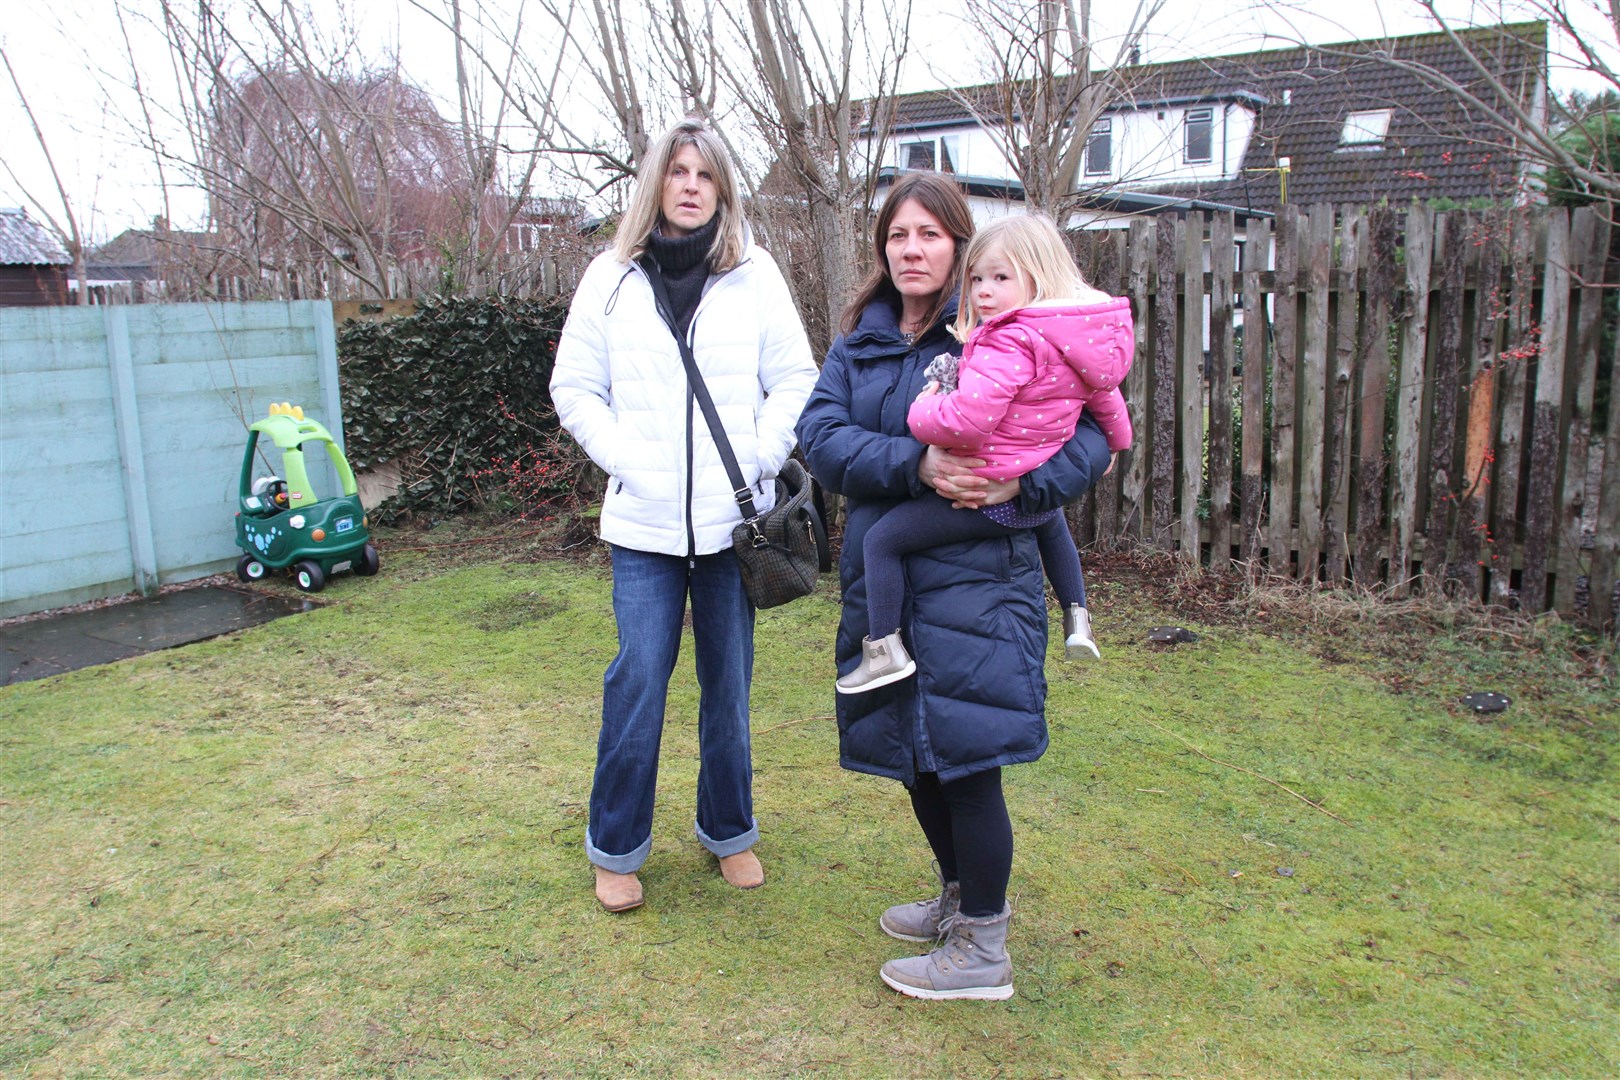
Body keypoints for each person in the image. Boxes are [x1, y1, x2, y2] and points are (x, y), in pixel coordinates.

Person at [796, 173, 1114, 1000]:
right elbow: (821, 437)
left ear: (959, 246)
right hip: (887, 580)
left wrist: (1023, 488)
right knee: (911, 756)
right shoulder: (858, 341)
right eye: (897, 235)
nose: (912, 249)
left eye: (929, 235)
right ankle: (959, 899)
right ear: (882, 248)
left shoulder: (1005, 326)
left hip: (977, 586)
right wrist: (915, 462)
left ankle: (984, 949)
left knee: (967, 762)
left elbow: (1088, 441)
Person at [550, 118, 817, 913]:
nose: (691, 184)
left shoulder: (756, 274)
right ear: (656, 184)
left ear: (723, 186)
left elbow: (796, 378)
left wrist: (763, 459)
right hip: (644, 527)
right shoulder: (609, 277)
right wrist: (633, 463)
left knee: (728, 684)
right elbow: (574, 392)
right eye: (678, 171)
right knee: (638, 680)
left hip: (734, 527)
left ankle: (728, 830)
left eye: (705, 172)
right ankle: (617, 846)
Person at [836, 213, 1134, 695]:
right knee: (1049, 519)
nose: (984, 292)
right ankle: (1077, 615)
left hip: (981, 486)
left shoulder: (1006, 338)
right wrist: (1118, 442)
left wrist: (924, 409)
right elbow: (1105, 398)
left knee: (882, 541)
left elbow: (969, 419)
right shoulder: (1071, 342)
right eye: (978, 279)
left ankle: (882, 649)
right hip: (1021, 484)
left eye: (999, 278)